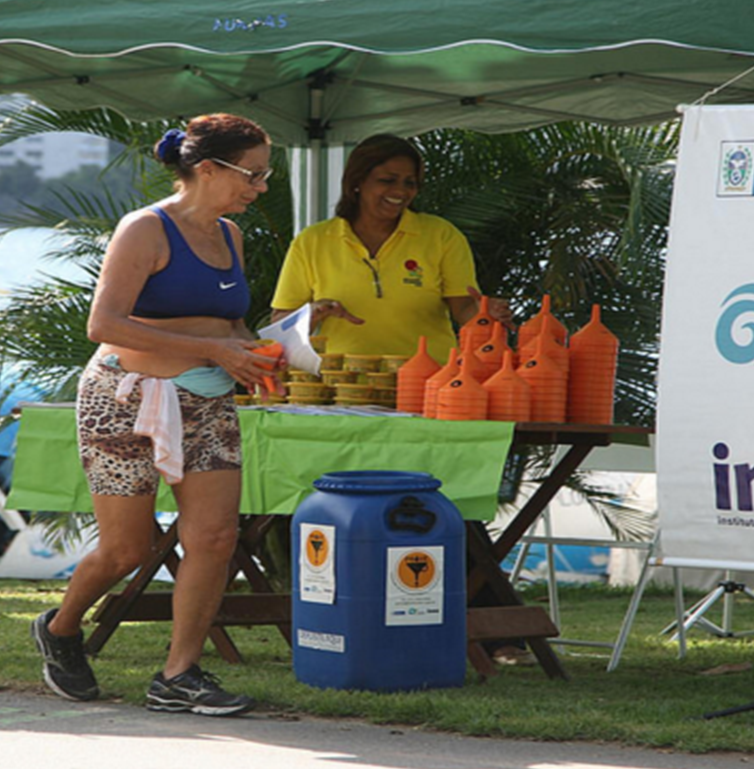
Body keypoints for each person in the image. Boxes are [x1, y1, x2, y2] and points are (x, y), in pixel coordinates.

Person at [30, 114, 277, 718]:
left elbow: (229, 326)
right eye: (253, 175)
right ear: (208, 169)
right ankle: (61, 629)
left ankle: (179, 673)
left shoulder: (230, 236)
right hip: (123, 397)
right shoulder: (144, 230)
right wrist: (215, 350)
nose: (261, 188)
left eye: (266, 176)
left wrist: (266, 349)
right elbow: (104, 325)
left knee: (215, 538)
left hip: (208, 398)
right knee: (127, 550)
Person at [271, 134, 512, 362]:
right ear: (357, 182)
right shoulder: (313, 241)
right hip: (344, 388)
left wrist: (487, 313)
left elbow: (465, 309)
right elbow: (280, 323)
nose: (400, 191)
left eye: (410, 183)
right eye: (387, 180)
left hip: (429, 384)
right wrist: (313, 312)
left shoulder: (441, 235)